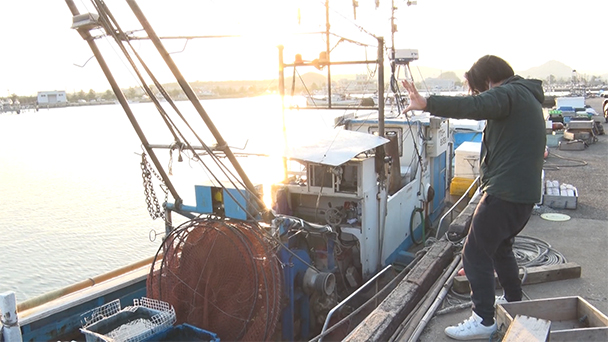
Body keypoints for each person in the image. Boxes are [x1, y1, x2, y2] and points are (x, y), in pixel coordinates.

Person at [402, 55, 546, 340]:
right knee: (501, 247)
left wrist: (428, 103)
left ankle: (483, 319)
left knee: (475, 252)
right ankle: (514, 301)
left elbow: (475, 107)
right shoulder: (525, 95)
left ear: (489, 81)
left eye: (480, 90)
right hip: (522, 194)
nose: (480, 95)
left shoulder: (508, 94)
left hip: (505, 193)